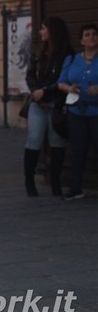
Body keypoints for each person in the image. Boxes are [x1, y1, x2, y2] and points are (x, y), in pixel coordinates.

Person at [23, 16, 73, 197]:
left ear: (52, 31)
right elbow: (30, 76)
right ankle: (29, 182)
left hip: (56, 104)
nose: (41, 32)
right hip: (38, 103)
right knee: (34, 138)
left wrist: (45, 92)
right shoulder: (38, 53)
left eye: (44, 28)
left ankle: (56, 183)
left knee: (56, 142)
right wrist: (36, 91)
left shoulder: (67, 55)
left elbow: (63, 81)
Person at [58, 23, 98, 201]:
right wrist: (69, 88)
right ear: (81, 40)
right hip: (76, 111)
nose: (91, 37)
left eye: (94, 35)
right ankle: (76, 188)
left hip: (96, 110)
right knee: (78, 150)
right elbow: (61, 82)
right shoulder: (72, 59)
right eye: (87, 35)